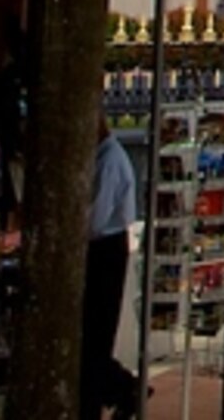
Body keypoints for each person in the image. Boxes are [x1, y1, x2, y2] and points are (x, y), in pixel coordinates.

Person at [81, 110, 140, 420]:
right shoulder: (106, 157)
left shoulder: (110, 161)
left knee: (95, 333)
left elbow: (97, 218)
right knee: (93, 334)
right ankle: (110, 390)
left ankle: (120, 388)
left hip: (105, 248)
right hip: (105, 246)